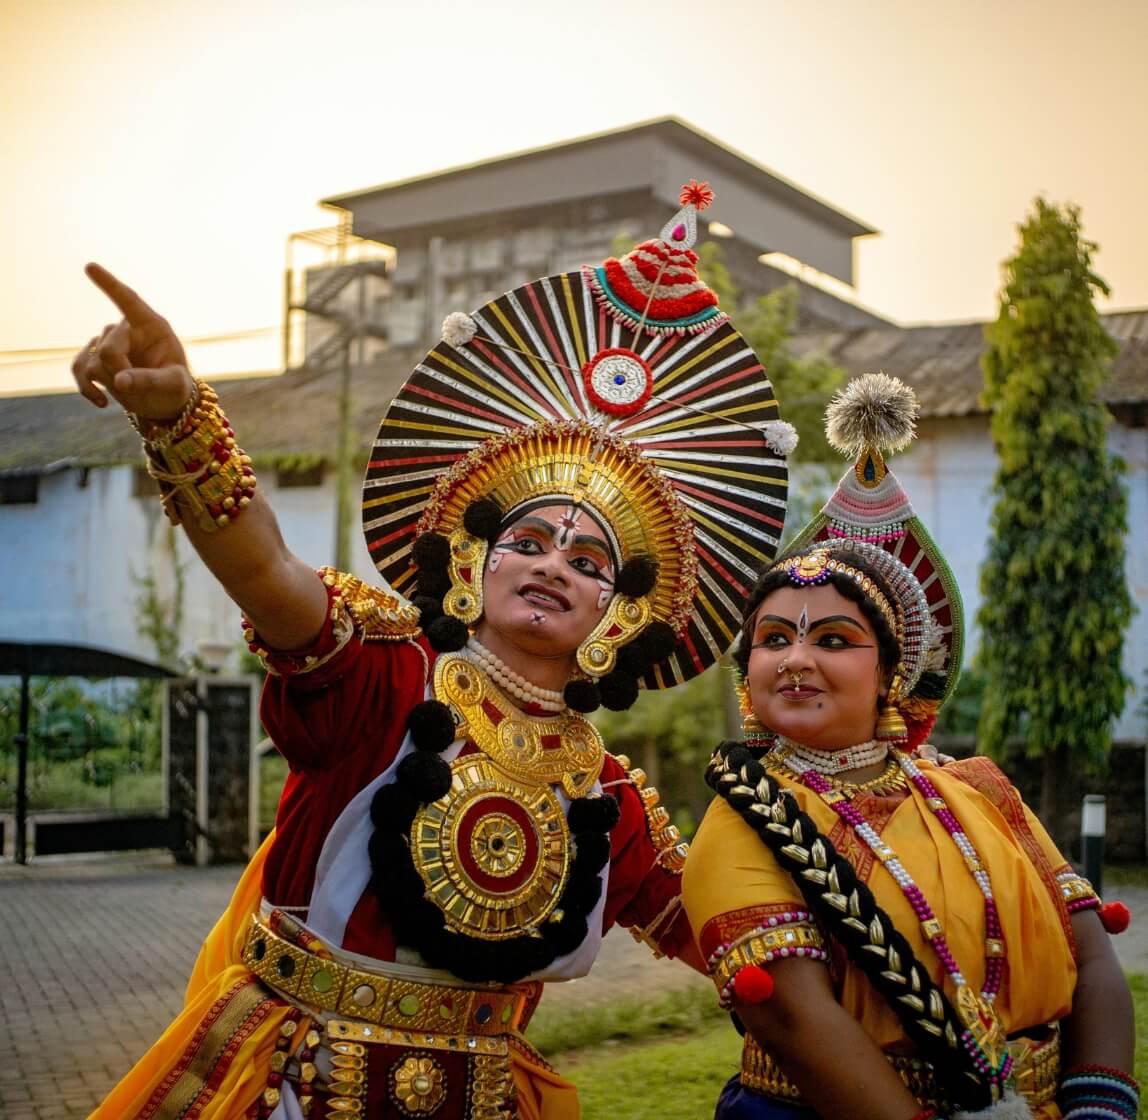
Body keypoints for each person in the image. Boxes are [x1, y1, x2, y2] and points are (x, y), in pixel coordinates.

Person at [72, 182, 797, 1119]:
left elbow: (735, 938)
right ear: (471, 560)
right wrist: (178, 419)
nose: (551, 568)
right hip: (293, 1090)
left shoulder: (610, 800)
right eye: (527, 543)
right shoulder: (380, 672)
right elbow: (261, 569)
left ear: (618, 615)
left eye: (588, 561)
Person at [681, 374, 1136, 1120]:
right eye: (770, 640)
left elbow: (1090, 957)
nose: (795, 659)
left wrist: (1097, 1105)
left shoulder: (980, 789)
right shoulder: (743, 822)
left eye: (833, 640)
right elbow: (793, 1017)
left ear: (891, 675)